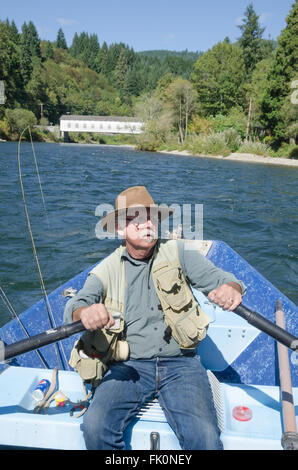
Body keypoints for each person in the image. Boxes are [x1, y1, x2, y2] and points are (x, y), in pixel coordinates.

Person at [64, 185, 245, 450]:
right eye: (133, 219)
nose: (145, 224)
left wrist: (231, 289)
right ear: (119, 229)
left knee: (205, 439)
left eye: (149, 217)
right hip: (129, 367)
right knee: (95, 428)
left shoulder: (178, 253)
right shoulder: (107, 269)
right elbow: (75, 307)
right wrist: (86, 313)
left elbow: (224, 280)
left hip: (182, 365)